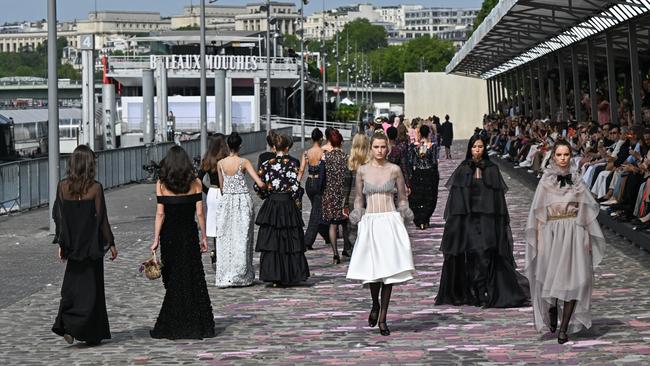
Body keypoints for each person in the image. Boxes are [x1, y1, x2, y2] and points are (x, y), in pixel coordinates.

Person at [525, 140, 606, 344]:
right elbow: (539, 213)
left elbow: (586, 210)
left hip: (574, 231)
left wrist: (586, 237)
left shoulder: (578, 180)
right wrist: (540, 239)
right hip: (552, 232)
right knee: (552, 277)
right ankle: (552, 307)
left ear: (571, 156)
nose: (563, 159)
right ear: (553, 157)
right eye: (559, 155)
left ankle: (563, 329)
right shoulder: (545, 181)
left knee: (574, 281)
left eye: (566, 155)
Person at [436, 135, 529, 308]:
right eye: (474, 147)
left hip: (488, 219)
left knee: (486, 254)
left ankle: (486, 289)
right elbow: (456, 199)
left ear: (484, 148)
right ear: (470, 149)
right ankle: (476, 291)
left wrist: (499, 220)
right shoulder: (463, 169)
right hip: (469, 220)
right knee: (473, 254)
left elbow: (498, 198)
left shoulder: (492, 169)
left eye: (480, 146)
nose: (477, 150)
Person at [346, 132, 416, 336]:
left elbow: (402, 198)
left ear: (388, 148)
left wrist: (405, 211)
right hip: (370, 222)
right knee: (373, 271)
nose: (379, 150)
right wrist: (357, 212)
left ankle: (383, 317)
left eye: (383, 147)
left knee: (389, 272)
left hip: (389, 221)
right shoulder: (362, 171)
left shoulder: (394, 170)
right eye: (376, 147)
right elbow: (359, 198)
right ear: (371, 148)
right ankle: (375, 304)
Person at [52, 145, 118, 346]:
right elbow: (102, 219)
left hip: (73, 245)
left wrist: (62, 243)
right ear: (89, 164)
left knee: (72, 288)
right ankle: (91, 332)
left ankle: (69, 325)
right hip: (91, 246)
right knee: (93, 290)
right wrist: (111, 243)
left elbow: (59, 217)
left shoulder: (63, 186)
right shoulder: (95, 188)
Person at [150, 146, 215, 339]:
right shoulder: (195, 182)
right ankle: (194, 321)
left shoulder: (161, 183)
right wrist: (204, 237)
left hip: (169, 235)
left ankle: (175, 322)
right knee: (190, 277)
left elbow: (160, 214)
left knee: (173, 278)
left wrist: (155, 239)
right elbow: (200, 213)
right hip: (188, 234)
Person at [255, 134, 310, 286]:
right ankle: (290, 274)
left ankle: (273, 275)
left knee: (272, 241)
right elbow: (295, 188)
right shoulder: (293, 163)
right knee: (289, 240)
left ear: (274, 147)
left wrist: (266, 194)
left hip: (272, 203)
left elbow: (258, 186)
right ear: (287, 147)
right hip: (287, 204)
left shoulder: (266, 164)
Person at [215, 133, 266, 288]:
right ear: (240, 146)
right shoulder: (244, 162)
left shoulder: (220, 163)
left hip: (227, 201)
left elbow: (222, 186)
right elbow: (259, 182)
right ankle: (241, 273)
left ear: (227, 146)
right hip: (242, 200)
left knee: (225, 237)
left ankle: (226, 274)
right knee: (243, 237)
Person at [198, 134, 229, 265]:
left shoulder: (207, 158)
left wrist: (207, 191)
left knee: (215, 224)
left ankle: (215, 250)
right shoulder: (226, 158)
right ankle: (224, 252)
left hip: (212, 192)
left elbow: (198, 179)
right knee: (226, 223)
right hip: (225, 192)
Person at [299, 128, 331, 250]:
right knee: (316, 212)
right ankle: (308, 240)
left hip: (309, 183)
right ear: (321, 138)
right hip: (319, 183)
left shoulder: (306, 153)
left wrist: (297, 183)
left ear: (312, 139)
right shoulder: (323, 152)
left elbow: (302, 169)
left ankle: (327, 235)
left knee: (317, 209)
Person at [322, 129, 348, 264]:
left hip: (330, 192)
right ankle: (346, 250)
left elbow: (322, 176)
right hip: (343, 193)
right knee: (345, 224)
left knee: (332, 225)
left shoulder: (326, 157)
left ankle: (335, 253)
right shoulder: (346, 157)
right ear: (341, 142)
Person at [342, 133, 370, 256]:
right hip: (368, 198)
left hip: (353, 198)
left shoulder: (350, 162)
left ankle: (354, 250)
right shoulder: (371, 162)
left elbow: (346, 186)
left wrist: (344, 204)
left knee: (352, 228)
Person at [408, 124, 440, 230]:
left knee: (418, 197)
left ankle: (420, 219)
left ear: (420, 133)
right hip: (429, 173)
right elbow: (434, 161)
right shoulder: (433, 146)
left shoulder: (414, 147)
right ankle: (425, 219)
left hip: (418, 173)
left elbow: (411, 161)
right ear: (429, 133)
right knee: (429, 197)